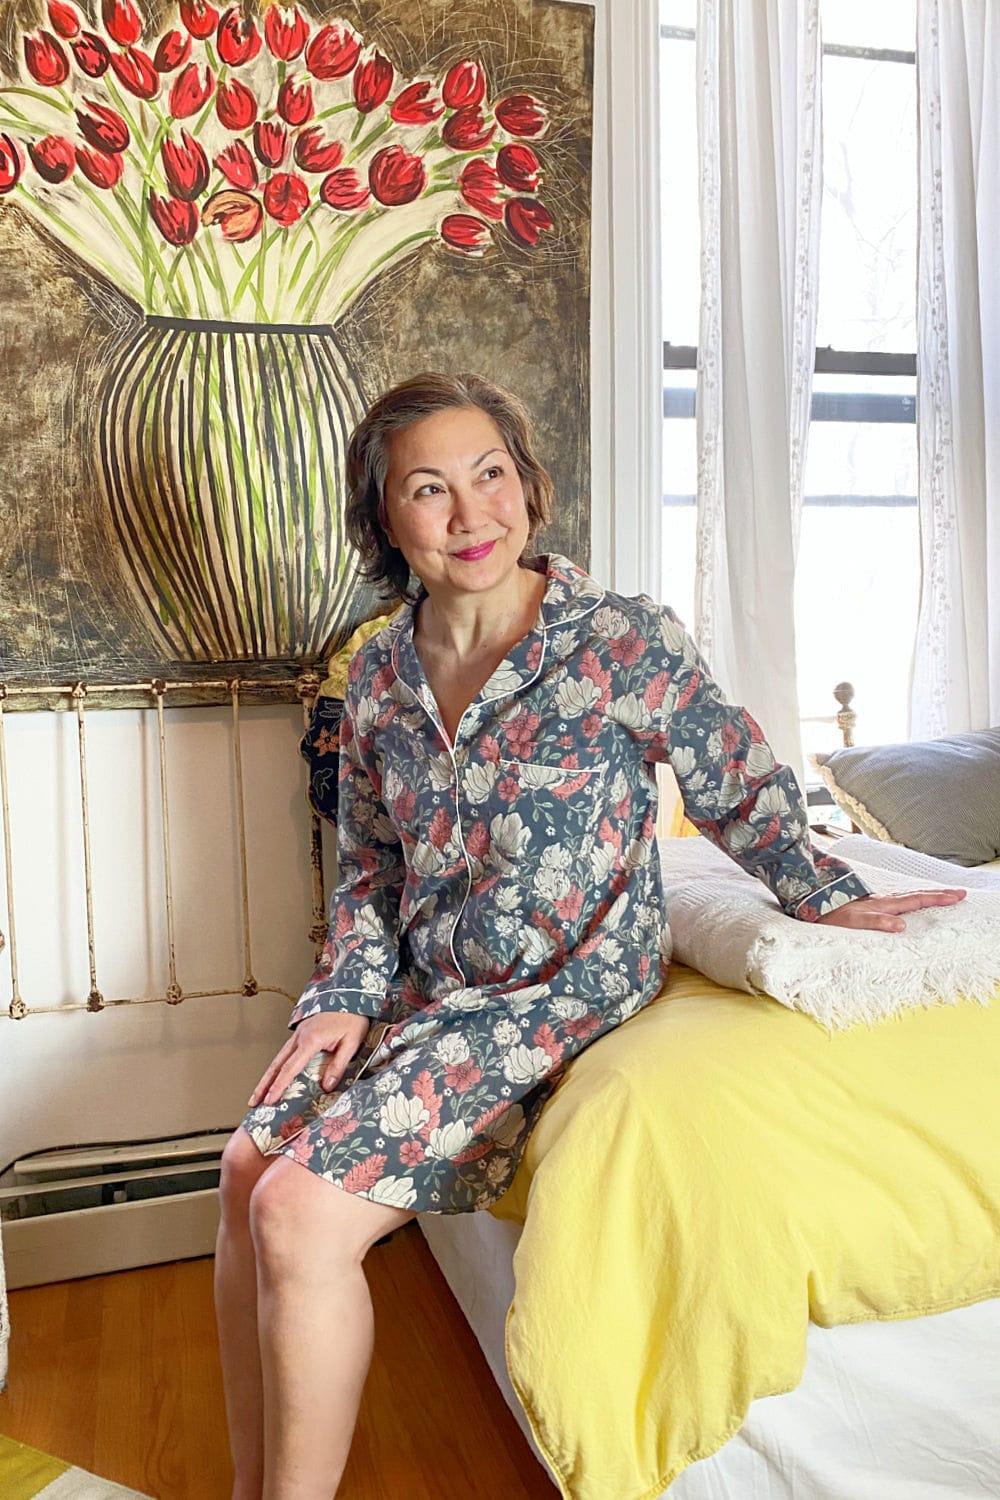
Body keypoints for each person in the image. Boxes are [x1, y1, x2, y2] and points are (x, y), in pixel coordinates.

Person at [215, 371, 967, 1499]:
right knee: (242, 1170)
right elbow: (368, 862)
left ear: (527, 484)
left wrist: (820, 892)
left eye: (490, 476)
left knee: (300, 1209)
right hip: (429, 989)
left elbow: (734, 779)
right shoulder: (375, 669)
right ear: (384, 518)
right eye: (429, 490)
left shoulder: (618, 640)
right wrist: (345, 988)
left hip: (561, 988)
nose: (471, 515)